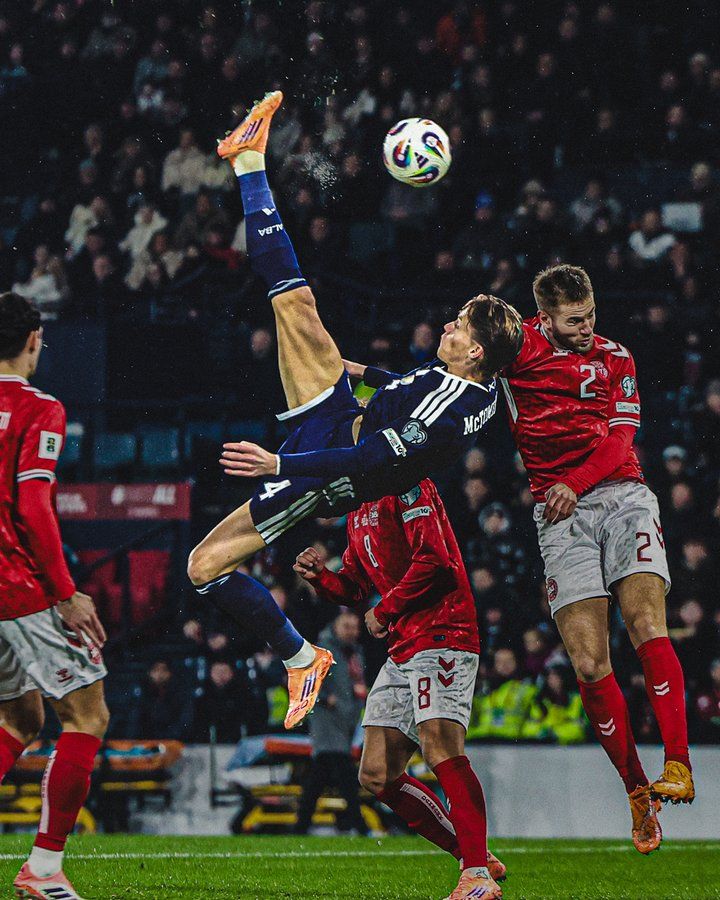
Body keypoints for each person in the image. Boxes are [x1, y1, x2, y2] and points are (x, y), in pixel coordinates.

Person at [186, 91, 523, 730]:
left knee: (203, 566)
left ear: (475, 350)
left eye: (459, 326)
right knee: (293, 301)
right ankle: (248, 160)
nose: (447, 325)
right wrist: (362, 371)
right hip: (340, 415)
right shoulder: (460, 386)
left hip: (328, 467)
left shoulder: (457, 402)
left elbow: (375, 456)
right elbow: (406, 392)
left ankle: (300, 656)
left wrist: (280, 461)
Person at [500, 264, 693, 854]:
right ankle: (637, 791)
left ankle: (679, 763)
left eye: (591, 316)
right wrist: (368, 374)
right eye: (574, 320)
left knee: (645, 624)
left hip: (620, 495)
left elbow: (619, 442)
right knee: (588, 663)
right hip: (559, 516)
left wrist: (574, 482)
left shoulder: (617, 359)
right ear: (546, 318)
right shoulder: (516, 352)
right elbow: (451, 382)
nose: (587, 329)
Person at [294, 479, 505, 900]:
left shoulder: (408, 484)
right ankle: (473, 856)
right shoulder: (358, 510)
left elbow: (438, 562)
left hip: (445, 632)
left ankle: (477, 874)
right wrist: (322, 578)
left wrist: (385, 609)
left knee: (441, 747)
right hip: (404, 644)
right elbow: (355, 585)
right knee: (375, 773)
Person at [0, 292, 109, 899]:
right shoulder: (37, 407)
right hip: (17, 587)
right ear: (35, 340)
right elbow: (33, 505)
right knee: (87, 715)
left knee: (21, 716)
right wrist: (66, 593)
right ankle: (43, 870)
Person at [294, 612, 368, 836]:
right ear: (335, 627)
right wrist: (326, 699)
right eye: (347, 626)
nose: (352, 631)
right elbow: (306, 682)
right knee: (342, 771)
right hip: (327, 720)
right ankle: (358, 824)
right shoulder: (323, 651)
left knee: (321, 774)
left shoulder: (355, 652)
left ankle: (301, 826)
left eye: (355, 627)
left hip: (346, 719)